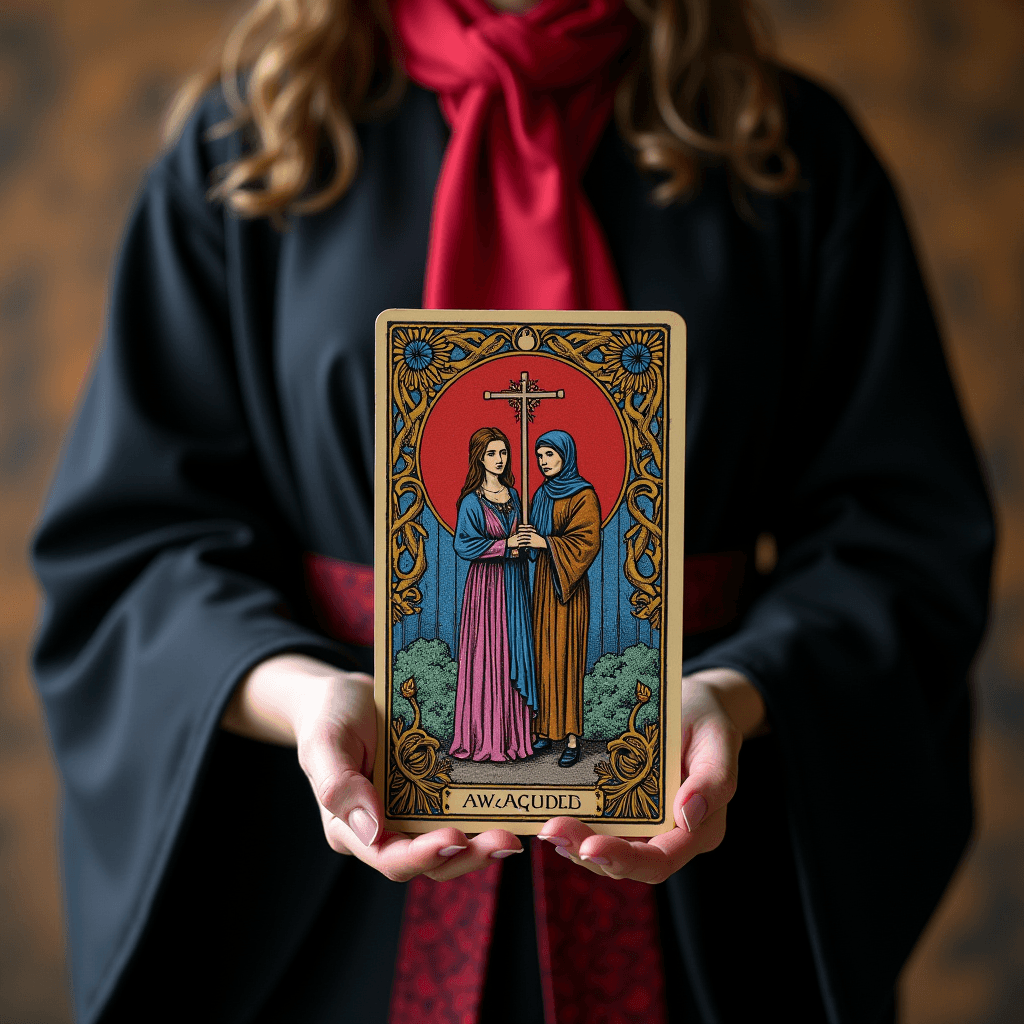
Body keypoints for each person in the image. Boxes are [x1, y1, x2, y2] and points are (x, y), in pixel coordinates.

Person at [30, 0, 994, 1020]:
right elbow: (137, 546)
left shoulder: (784, 150)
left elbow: (897, 537)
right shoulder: (255, 143)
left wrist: (733, 695)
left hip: (705, 863)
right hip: (322, 875)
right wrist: (305, 697)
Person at [449, 427, 538, 761]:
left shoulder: (515, 496)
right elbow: (463, 543)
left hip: (514, 582)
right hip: (486, 587)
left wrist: (527, 540)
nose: (499, 460)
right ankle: (484, 738)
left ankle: (515, 738)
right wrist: (505, 544)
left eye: (503, 453)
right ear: (479, 458)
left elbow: (524, 542)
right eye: (491, 454)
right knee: (489, 651)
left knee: (514, 649)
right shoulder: (472, 501)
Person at [518, 430, 602, 767]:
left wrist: (547, 544)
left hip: (567, 587)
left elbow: (587, 542)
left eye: (549, 455)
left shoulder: (583, 495)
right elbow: (534, 540)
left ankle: (570, 738)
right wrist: (525, 542)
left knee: (565, 657)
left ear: (566, 455)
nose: (543, 462)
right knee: (542, 655)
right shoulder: (540, 494)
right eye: (539, 457)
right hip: (543, 585)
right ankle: (543, 730)